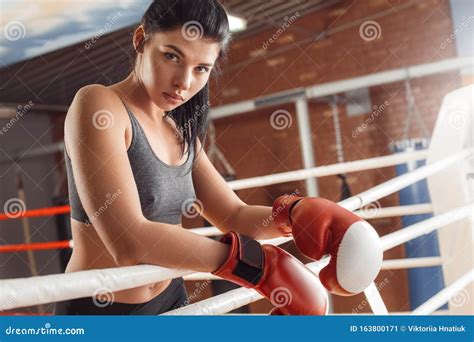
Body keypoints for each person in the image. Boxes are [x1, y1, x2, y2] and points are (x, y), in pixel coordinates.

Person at [54, 0, 381, 315]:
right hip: (100, 311)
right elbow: (128, 241)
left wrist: (294, 216)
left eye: (201, 69)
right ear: (141, 39)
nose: (184, 82)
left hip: (170, 299)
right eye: (172, 56)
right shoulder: (99, 105)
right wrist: (257, 266)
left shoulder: (178, 131)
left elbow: (234, 215)